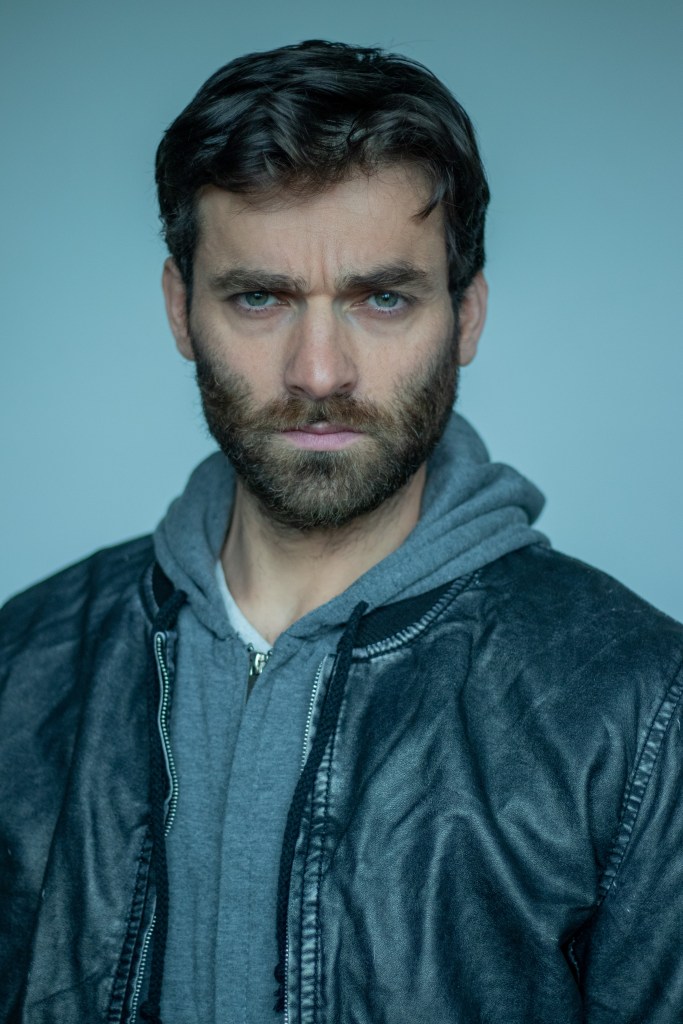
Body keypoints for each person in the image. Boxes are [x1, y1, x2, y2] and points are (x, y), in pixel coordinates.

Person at [1, 38, 681, 1024]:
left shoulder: (638, 703)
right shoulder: (21, 667)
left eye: (382, 297)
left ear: (466, 316)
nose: (318, 372)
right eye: (259, 297)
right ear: (180, 310)